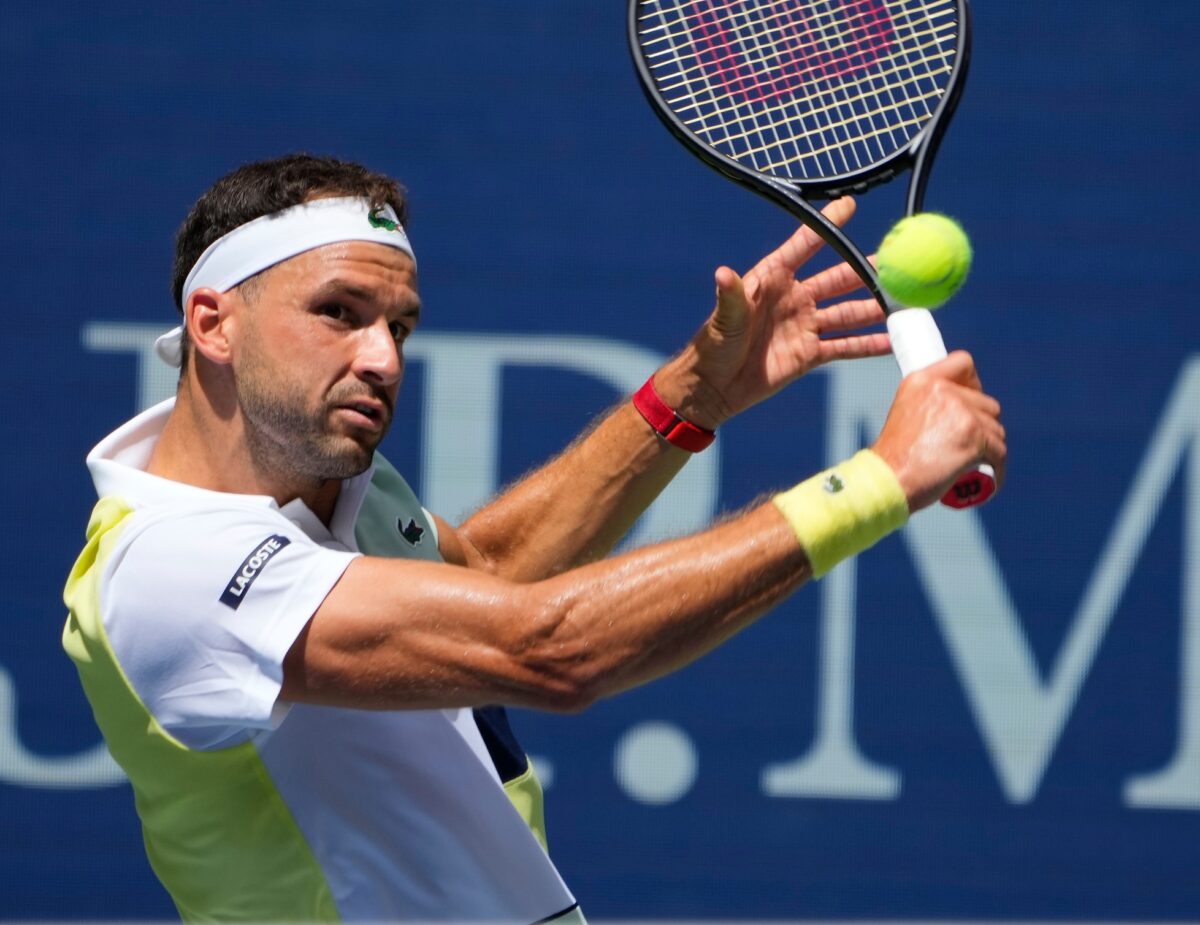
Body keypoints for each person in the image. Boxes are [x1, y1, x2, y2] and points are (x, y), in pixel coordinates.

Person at [63, 154, 1005, 923]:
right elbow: (545, 647)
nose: (384, 357)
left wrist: (695, 395)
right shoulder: (173, 567)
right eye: (339, 313)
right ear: (213, 323)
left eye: (400, 324)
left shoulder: (328, 479)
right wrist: (881, 479)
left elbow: (484, 576)